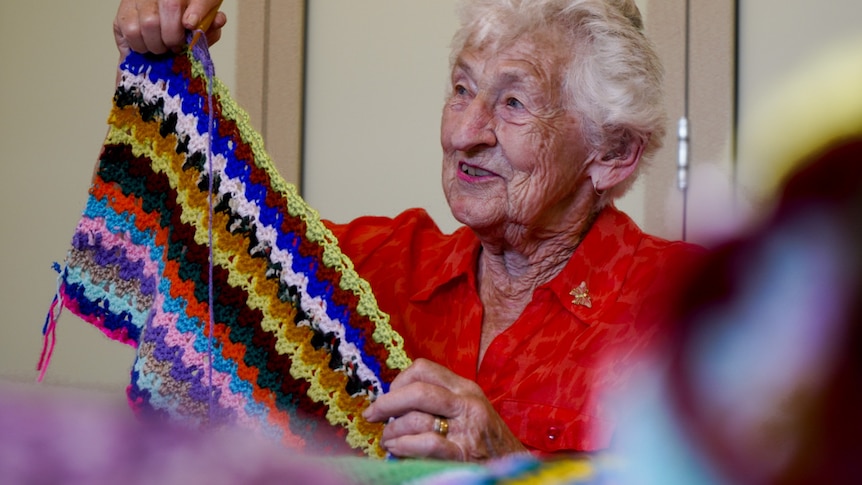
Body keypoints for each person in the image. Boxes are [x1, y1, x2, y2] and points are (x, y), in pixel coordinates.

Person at [113, 0, 701, 462]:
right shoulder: (370, 269)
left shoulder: (694, 306)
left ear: (613, 152)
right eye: (462, 90)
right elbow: (189, 257)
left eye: (514, 103)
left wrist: (510, 466)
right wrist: (163, 61)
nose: (464, 133)